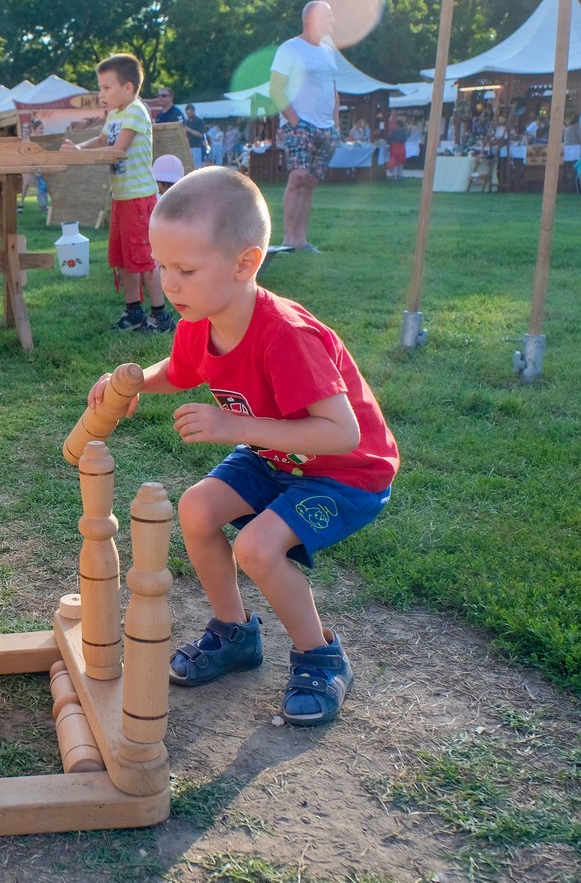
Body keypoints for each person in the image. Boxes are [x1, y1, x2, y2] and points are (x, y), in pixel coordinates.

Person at [83, 167, 397, 725]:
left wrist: (235, 427)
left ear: (245, 263)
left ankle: (321, 656)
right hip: (277, 456)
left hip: (344, 472)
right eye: (161, 266)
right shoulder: (200, 319)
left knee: (257, 547)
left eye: (185, 270)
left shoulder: (287, 336)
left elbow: (342, 434)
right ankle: (235, 634)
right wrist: (131, 382)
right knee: (196, 509)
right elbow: (180, 371)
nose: (169, 284)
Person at [63, 53, 171, 333]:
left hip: (139, 198)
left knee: (144, 260)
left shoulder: (135, 110)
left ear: (128, 87)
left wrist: (81, 156)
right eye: (100, 87)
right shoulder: (115, 114)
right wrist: (78, 149)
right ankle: (134, 312)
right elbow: (103, 139)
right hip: (121, 198)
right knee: (123, 259)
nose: (101, 94)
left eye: (106, 87)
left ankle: (160, 316)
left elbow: (118, 149)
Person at [270, 1, 339, 251]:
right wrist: (294, 121)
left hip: (326, 128)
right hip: (300, 124)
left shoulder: (329, 52)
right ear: (312, 18)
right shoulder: (290, 48)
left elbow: (333, 91)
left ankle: (302, 240)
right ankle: (289, 240)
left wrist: (335, 125)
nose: (332, 21)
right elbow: (275, 89)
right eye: (328, 16)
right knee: (298, 177)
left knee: (310, 182)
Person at [385, 115, 407, 180]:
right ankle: (400, 176)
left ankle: (394, 176)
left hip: (395, 148)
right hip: (402, 148)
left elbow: (389, 139)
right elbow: (405, 139)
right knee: (400, 163)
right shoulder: (404, 132)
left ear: (397, 125)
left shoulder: (394, 132)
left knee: (394, 162)